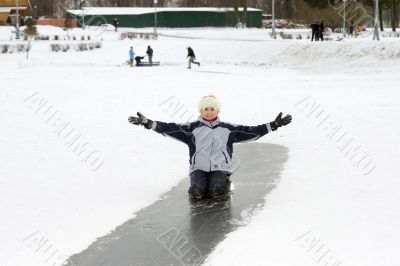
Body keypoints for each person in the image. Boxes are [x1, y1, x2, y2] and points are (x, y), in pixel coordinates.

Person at [128, 95, 292, 199]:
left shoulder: (228, 128)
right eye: (205, 108)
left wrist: (274, 125)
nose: (208, 111)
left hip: (220, 168)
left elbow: (252, 132)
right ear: (201, 110)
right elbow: (170, 128)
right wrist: (149, 123)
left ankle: (224, 182)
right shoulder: (192, 128)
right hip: (198, 168)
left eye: (212, 108)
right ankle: (198, 182)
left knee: (218, 192)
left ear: (217, 110)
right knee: (197, 192)